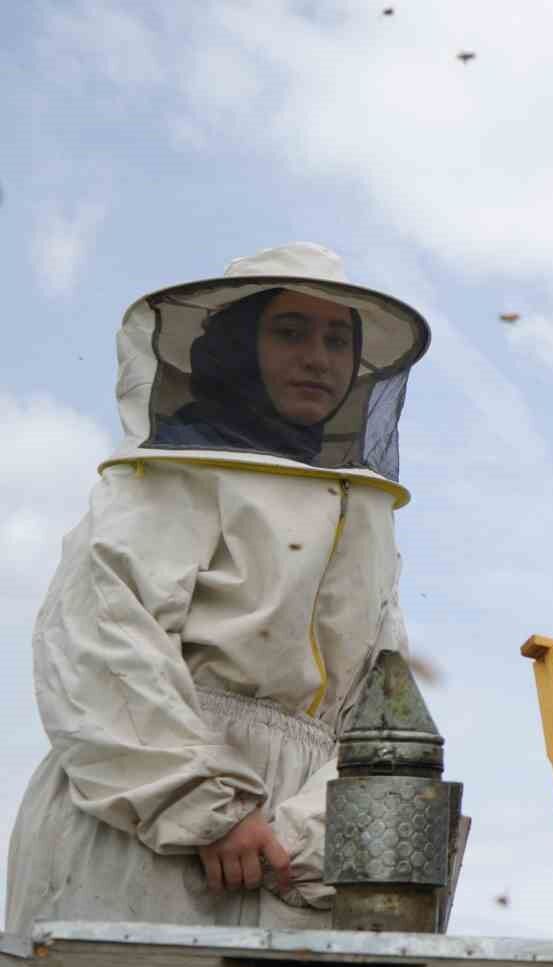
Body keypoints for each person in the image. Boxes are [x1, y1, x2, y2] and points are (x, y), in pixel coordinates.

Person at [6, 242, 431, 931]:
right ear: (237, 344)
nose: (318, 357)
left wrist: (305, 830)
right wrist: (206, 804)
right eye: (290, 332)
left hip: (287, 857)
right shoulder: (169, 477)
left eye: (336, 338)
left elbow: (382, 704)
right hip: (138, 828)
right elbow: (99, 644)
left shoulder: (363, 515)